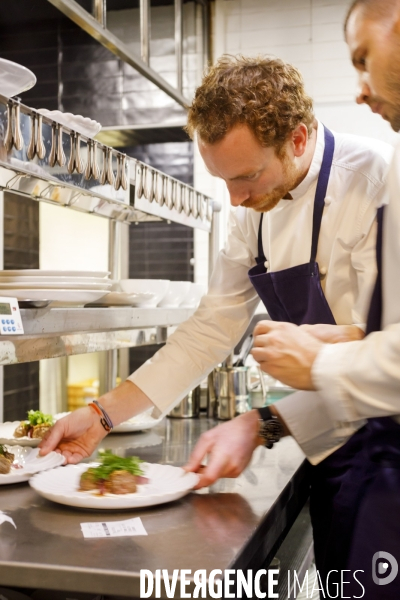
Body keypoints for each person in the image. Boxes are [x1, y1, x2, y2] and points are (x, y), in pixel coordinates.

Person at [40, 56, 391, 573]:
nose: (236, 198)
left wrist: (261, 423)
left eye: (246, 176)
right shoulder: (253, 205)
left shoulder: (376, 182)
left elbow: (378, 360)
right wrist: (100, 416)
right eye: (222, 180)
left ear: (297, 138)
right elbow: (211, 328)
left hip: (388, 447)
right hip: (325, 444)